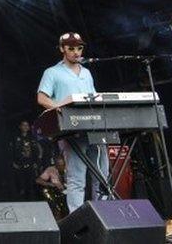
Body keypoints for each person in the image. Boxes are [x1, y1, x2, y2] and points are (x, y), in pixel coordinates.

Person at [36, 31, 109, 212]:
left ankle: (105, 217)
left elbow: (92, 97)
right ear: (62, 49)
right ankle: (78, 222)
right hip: (71, 130)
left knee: (103, 177)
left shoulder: (87, 72)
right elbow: (41, 98)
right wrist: (58, 106)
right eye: (71, 48)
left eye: (79, 48)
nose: (76, 52)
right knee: (77, 178)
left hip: (94, 128)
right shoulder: (52, 72)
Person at [10, 120, 42, 200]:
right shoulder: (15, 138)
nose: (25, 127)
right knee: (21, 182)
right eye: (23, 125)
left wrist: (36, 162)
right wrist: (13, 162)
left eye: (27, 125)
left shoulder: (32, 138)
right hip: (20, 163)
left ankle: (32, 198)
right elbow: (12, 151)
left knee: (31, 182)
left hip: (31, 162)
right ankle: (21, 199)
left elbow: (37, 151)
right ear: (20, 127)